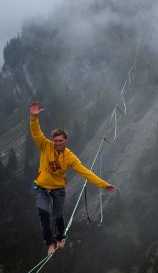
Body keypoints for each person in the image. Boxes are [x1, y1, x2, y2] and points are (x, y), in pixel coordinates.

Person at [29, 101, 115, 255]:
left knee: (58, 216)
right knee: (43, 213)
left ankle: (60, 238)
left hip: (58, 189)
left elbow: (85, 172)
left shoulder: (70, 157)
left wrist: (103, 185)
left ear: (65, 141)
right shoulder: (45, 146)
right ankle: (49, 243)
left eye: (60, 141)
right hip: (41, 188)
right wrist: (33, 118)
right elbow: (36, 133)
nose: (57, 144)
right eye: (55, 141)